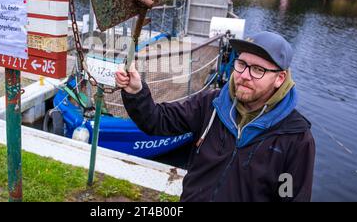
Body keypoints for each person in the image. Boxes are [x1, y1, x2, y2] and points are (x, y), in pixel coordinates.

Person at [115, 31, 315, 202]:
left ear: (280, 78)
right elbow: (157, 121)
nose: (244, 75)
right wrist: (136, 91)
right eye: (242, 63)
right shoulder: (211, 104)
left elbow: (290, 196)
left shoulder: (295, 138)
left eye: (258, 70)